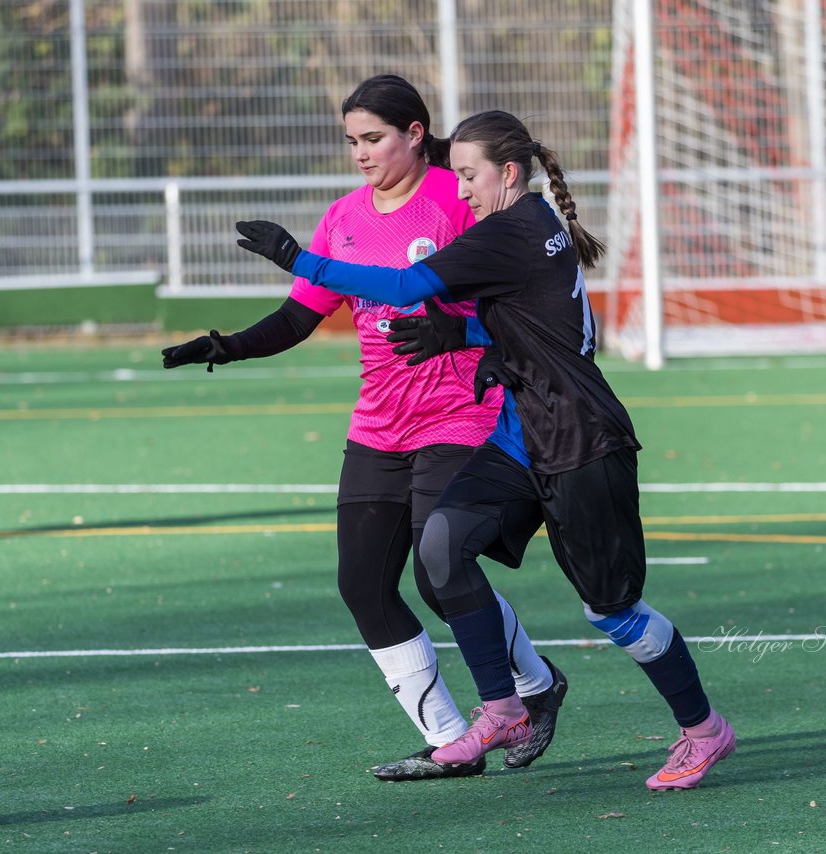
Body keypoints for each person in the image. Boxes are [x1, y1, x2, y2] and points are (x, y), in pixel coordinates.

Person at [234, 109, 736, 791]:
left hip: (583, 442)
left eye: (468, 176)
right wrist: (468, 341)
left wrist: (298, 260)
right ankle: (504, 708)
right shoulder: (525, 228)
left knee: (612, 611)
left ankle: (705, 731)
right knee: (440, 547)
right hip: (523, 434)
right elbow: (542, 327)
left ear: (507, 174)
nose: (459, 190)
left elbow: (405, 286)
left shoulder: (512, 230)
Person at [161, 81, 567, 781]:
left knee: (442, 576)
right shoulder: (342, 217)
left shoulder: (457, 197)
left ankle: (534, 687)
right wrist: (227, 346)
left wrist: (476, 335)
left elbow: (512, 292)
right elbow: (298, 318)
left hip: (458, 411)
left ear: (415, 132)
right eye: (351, 141)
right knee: (363, 586)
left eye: (373, 138)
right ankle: (448, 738)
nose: (360, 153)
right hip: (379, 425)